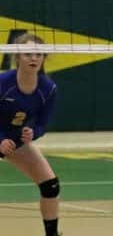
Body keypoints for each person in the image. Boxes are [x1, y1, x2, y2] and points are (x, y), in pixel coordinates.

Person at [0, 34, 61, 236]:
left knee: (50, 185)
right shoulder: (3, 83)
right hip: (2, 138)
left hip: (14, 141)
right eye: (27, 54)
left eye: (38, 54)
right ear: (17, 57)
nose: (33, 58)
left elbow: (43, 123)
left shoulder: (48, 88)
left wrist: (33, 133)